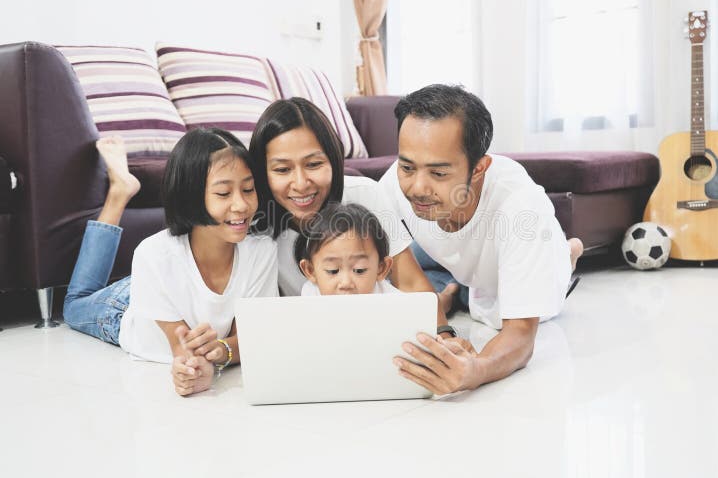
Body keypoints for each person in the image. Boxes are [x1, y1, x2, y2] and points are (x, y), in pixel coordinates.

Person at [379, 84, 584, 395]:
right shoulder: (392, 186)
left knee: (495, 312)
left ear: (479, 168)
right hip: (459, 254)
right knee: (399, 270)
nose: (417, 188)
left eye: (438, 173)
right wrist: (444, 334)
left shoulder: (520, 208)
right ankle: (457, 282)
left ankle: (565, 254)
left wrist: (475, 370)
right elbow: (405, 280)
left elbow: (520, 335)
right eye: (407, 167)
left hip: (522, 250)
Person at [62, 130, 278, 396]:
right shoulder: (153, 255)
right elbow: (182, 347)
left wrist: (220, 352)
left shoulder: (262, 252)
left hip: (165, 282)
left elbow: (250, 335)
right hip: (122, 308)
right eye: (223, 193)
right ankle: (119, 193)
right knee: (74, 305)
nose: (241, 205)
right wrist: (196, 367)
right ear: (190, 195)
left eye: (248, 189)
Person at [248, 98, 453, 326]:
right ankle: (448, 295)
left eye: (314, 165)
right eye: (282, 169)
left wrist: (444, 333)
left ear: (333, 161)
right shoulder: (253, 225)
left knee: (441, 268)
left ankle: (451, 291)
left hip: (378, 301)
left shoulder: (365, 193)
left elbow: (411, 284)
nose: (301, 183)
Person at [294, 202, 398, 296]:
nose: (346, 283)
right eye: (333, 271)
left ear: (381, 269)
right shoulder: (310, 296)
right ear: (311, 271)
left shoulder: (396, 305)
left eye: (359, 270)